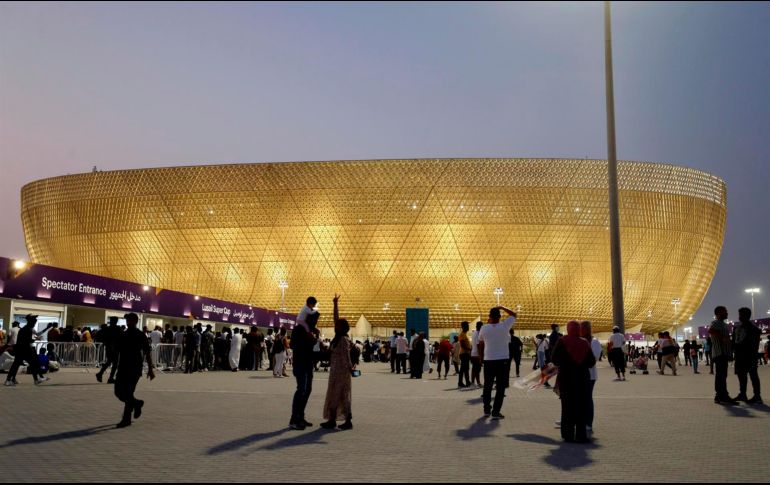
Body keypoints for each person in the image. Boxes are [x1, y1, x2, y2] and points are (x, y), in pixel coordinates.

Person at [551, 321, 596, 443]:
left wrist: (564, 363)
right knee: (581, 407)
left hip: (566, 379)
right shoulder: (585, 343)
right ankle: (581, 435)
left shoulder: (562, 341)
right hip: (582, 379)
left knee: (567, 407)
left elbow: (554, 359)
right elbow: (592, 362)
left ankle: (567, 434)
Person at [113, 313, 155, 428]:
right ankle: (137, 404)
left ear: (136, 321)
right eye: (127, 320)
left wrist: (150, 370)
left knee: (128, 392)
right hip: (122, 367)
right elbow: (117, 350)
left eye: (130, 320)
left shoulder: (140, 335)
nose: (128, 322)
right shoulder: (124, 334)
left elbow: (147, 352)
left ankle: (126, 419)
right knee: (118, 392)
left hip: (135, 368)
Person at [321, 294, 354, 430]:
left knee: (342, 395)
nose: (335, 326)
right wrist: (335, 304)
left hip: (342, 372)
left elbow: (346, 356)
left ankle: (348, 420)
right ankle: (332, 419)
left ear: (343, 328)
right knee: (333, 394)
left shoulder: (343, 340)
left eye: (338, 325)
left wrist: (350, 368)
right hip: (335, 371)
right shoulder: (337, 337)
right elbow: (336, 318)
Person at [477, 306, 517, 419]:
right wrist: (502, 307)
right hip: (503, 361)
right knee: (500, 387)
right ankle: (495, 411)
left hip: (488, 360)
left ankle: (486, 409)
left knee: (487, 386)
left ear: (489, 317)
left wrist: (481, 358)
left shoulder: (484, 328)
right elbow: (514, 314)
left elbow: (480, 344)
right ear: (500, 317)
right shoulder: (505, 326)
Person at [289, 296, 320, 430]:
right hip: (300, 363)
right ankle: (294, 419)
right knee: (301, 389)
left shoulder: (311, 331)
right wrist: (307, 338)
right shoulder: (297, 330)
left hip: (308, 364)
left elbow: (312, 346)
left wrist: (314, 337)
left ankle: (301, 416)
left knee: (307, 390)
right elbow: (292, 344)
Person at [5, 315, 53, 386]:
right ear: (31, 323)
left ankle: (9, 379)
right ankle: (36, 379)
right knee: (32, 363)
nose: (34, 325)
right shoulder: (28, 329)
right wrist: (36, 339)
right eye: (34, 323)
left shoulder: (25, 328)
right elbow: (27, 340)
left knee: (17, 365)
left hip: (20, 349)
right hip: (24, 349)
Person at [732, 307, 762, 404]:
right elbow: (734, 342)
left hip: (749, 356)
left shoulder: (754, 329)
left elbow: (754, 345)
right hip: (739, 357)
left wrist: (754, 357)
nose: (739, 317)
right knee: (741, 376)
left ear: (747, 316)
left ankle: (757, 396)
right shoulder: (736, 328)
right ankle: (742, 394)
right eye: (739, 314)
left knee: (753, 375)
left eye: (741, 315)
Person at [710, 306, 737, 405]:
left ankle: (720, 395)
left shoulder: (723, 324)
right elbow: (711, 330)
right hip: (719, 353)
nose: (727, 313)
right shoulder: (716, 322)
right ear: (718, 313)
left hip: (724, 353)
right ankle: (722, 395)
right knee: (721, 375)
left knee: (722, 375)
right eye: (725, 312)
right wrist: (722, 338)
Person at [580, 321, 602, 439]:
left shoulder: (594, 342)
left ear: (587, 329)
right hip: (580, 375)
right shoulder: (580, 340)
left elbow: (594, 358)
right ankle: (579, 420)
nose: (580, 330)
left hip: (590, 375)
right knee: (580, 398)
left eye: (582, 328)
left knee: (587, 398)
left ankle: (588, 423)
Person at [96, 317, 122, 383]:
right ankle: (110, 377)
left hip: (109, 347)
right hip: (115, 348)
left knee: (109, 361)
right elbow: (122, 338)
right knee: (114, 363)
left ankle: (101, 374)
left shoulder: (106, 329)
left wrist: (106, 343)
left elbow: (101, 337)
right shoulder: (117, 329)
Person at [458, 322, 472, 388]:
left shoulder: (465, 334)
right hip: (464, 354)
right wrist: (469, 349)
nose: (468, 327)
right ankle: (463, 382)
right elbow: (462, 345)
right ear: (463, 327)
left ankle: (466, 382)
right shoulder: (462, 334)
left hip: (466, 353)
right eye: (467, 326)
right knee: (464, 369)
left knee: (465, 369)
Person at [471, 321, 483, 388]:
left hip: (473, 353)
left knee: (474, 369)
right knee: (477, 370)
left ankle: (473, 382)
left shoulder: (474, 333)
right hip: (477, 354)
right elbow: (478, 345)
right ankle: (478, 383)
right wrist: (480, 357)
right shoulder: (478, 333)